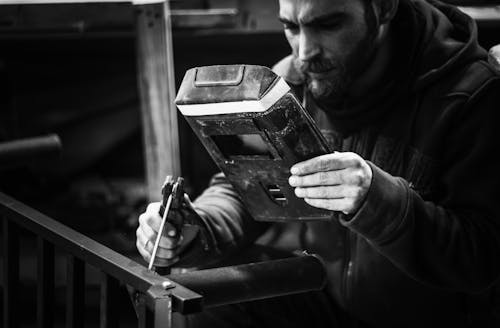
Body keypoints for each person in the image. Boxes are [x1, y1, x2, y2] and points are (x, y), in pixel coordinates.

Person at [136, 0, 500, 326]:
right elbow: (249, 183)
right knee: (202, 311)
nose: (304, 51)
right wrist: (202, 227)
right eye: (291, 27)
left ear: (384, 8)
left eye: (328, 24)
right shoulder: (294, 81)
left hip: (431, 316)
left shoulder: (471, 95)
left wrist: (379, 201)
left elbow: (482, 256)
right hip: (328, 297)